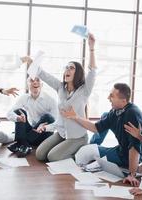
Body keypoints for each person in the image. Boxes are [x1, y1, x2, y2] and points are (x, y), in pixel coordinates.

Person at [61, 83, 142, 186]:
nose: (108, 98)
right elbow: (95, 128)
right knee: (105, 116)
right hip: (123, 149)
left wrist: (132, 174)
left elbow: (134, 148)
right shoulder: (115, 112)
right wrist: (76, 117)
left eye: (112, 95)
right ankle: (93, 147)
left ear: (123, 101)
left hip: (131, 155)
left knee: (85, 151)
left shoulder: (132, 115)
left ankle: (130, 167)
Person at [32, 33, 97, 162]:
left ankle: (83, 151)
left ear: (77, 72)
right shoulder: (60, 88)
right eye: (66, 68)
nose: (67, 70)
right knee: (40, 154)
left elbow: (93, 71)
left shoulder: (84, 90)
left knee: (52, 157)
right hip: (62, 134)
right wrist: (47, 127)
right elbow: (44, 75)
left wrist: (91, 48)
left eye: (71, 68)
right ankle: (67, 149)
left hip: (77, 137)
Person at [6, 76, 58, 157]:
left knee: (48, 117)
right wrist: (18, 118)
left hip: (44, 134)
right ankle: (25, 145)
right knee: (19, 112)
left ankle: (21, 143)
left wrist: (44, 127)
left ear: (42, 85)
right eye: (31, 81)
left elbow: (57, 123)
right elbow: (9, 113)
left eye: (37, 80)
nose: (35, 82)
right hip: (31, 130)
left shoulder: (51, 100)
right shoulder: (24, 98)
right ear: (28, 85)